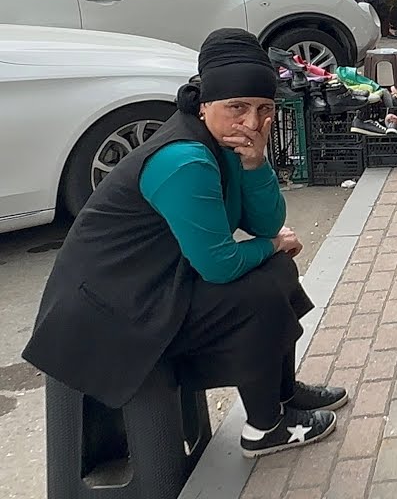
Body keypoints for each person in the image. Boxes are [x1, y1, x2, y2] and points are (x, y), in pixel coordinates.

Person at [24, 28, 346, 458]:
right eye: (237, 108)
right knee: (260, 290)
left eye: (263, 109)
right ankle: (265, 426)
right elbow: (220, 265)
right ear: (205, 103)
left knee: (276, 274)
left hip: (155, 285)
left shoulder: (225, 142)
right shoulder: (186, 159)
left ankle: (283, 394)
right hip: (111, 316)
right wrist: (271, 246)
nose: (252, 123)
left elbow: (267, 221)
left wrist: (255, 164)